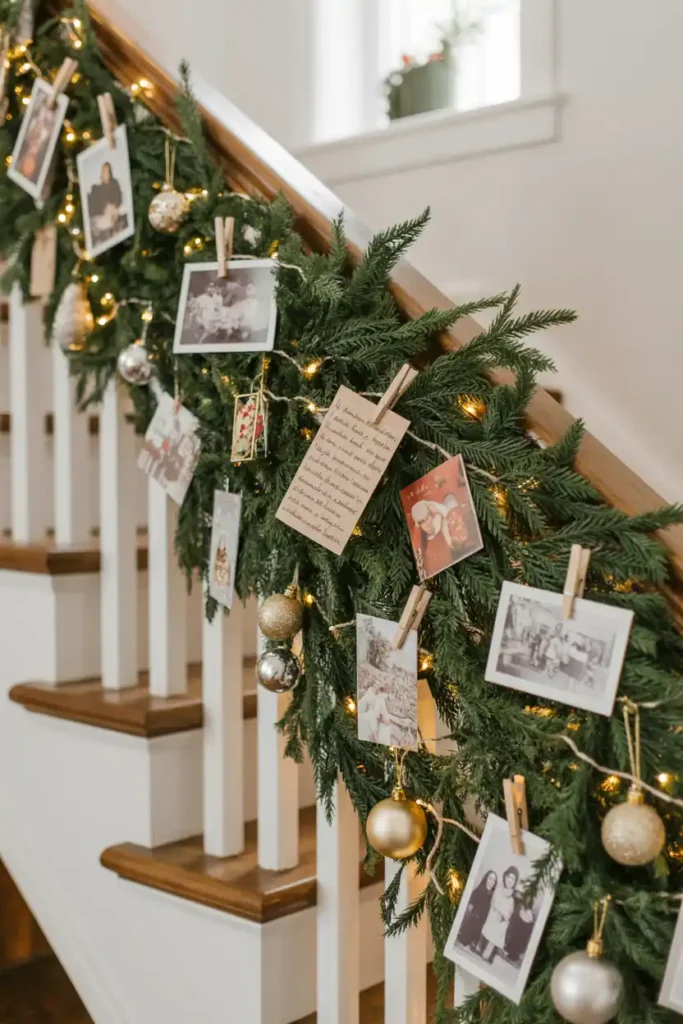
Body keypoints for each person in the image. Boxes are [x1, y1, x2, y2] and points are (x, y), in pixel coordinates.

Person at [481, 866, 519, 964]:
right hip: (493, 914)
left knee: (503, 926)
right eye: (509, 877)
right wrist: (498, 911)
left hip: (502, 920)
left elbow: (509, 914)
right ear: (505, 877)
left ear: (515, 882)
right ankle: (480, 945)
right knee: (492, 919)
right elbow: (493, 903)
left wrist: (503, 916)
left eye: (513, 879)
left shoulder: (511, 900)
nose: (510, 880)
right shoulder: (498, 889)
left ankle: (488, 953)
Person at [87, 161, 126, 246]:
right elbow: (94, 206)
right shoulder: (96, 189)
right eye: (103, 171)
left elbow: (118, 199)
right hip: (101, 216)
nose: (105, 173)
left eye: (107, 171)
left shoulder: (115, 184)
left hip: (112, 213)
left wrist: (114, 208)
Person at [457, 871, 497, 953]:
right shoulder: (478, 890)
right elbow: (470, 907)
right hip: (472, 921)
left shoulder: (492, 896)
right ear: (486, 878)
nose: (491, 882)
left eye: (494, 880)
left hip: (482, 923)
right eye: (490, 878)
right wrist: (473, 915)